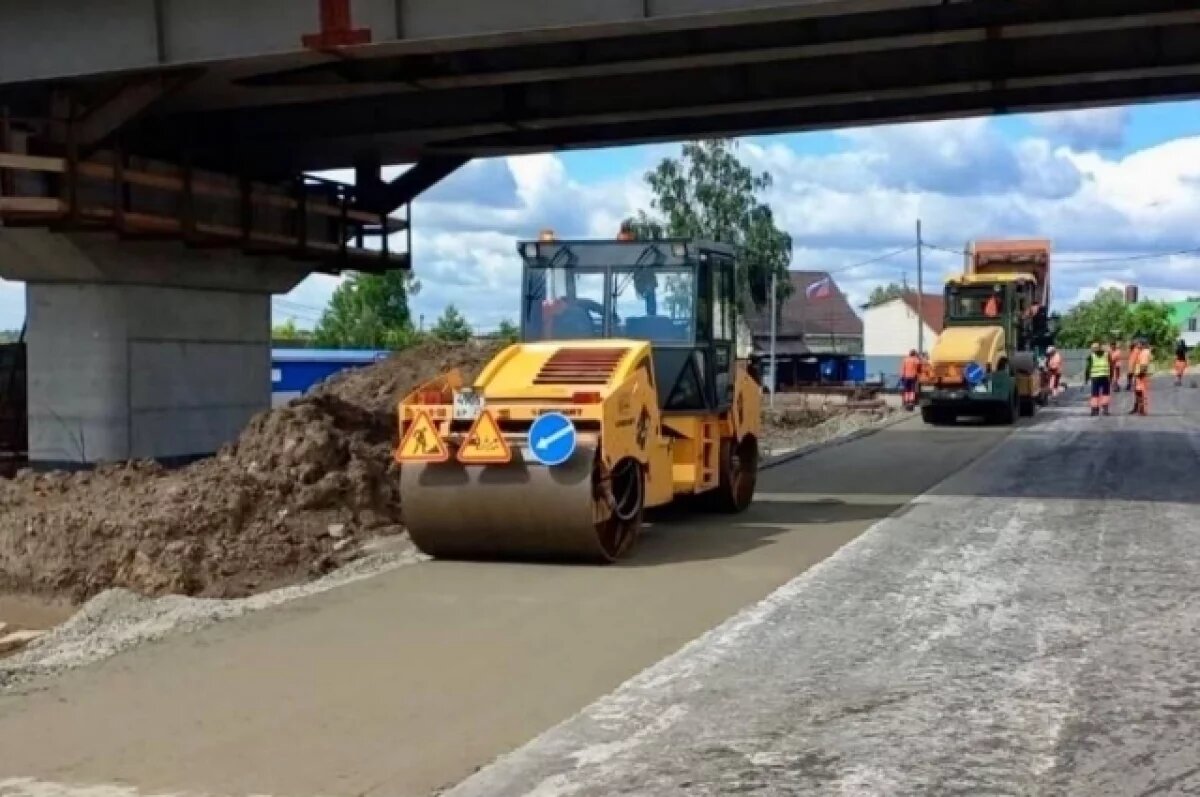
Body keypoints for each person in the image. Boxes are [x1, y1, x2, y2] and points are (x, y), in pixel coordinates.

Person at [1085, 341, 1112, 417]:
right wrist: (1111, 376)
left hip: (1096, 377)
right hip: (1105, 376)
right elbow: (1111, 365)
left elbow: (1088, 368)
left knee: (1095, 394)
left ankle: (1095, 410)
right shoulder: (1107, 355)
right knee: (1105, 393)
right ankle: (1105, 409)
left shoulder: (1091, 356)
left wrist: (1086, 378)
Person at [1132, 338, 1152, 416]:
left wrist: (1140, 374)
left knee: (1142, 392)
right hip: (1141, 375)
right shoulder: (1144, 352)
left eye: (1138, 344)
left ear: (1142, 344)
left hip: (1142, 376)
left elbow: (1143, 365)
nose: (1137, 345)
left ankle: (1143, 409)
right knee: (1139, 392)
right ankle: (1141, 409)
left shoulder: (1144, 353)